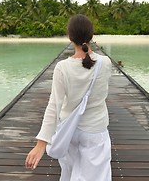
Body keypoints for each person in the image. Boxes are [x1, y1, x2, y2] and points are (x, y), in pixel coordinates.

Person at [25, 14, 112, 180]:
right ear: (91, 36)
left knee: (70, 174)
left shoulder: (62, 67)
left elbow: (54, 106)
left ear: (70, 37)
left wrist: (41, 143)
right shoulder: (105, 63)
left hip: (69, 131)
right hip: (95, 130)